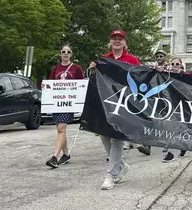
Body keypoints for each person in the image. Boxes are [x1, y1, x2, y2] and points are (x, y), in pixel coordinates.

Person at [88, 30, 141, 190]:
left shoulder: (132, 60)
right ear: (110, 42)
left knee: (116, 138)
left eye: (120, 39)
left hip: (124, 103)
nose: (117, 41)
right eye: (114, 39)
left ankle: (111, 175)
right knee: (104, 135)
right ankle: (121, 165)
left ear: (125, 43)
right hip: (107, 103)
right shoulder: (103, 60)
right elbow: (94, 80)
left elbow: (140, 78)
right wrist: (92, 70)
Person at [45, 44, 85, 168]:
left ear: (71, 54)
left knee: (61, 128)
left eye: (68, 51)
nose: (66, 53)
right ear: (60, 54)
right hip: (57, 102)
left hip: (69, 103)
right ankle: (66, 154)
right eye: (63, 51)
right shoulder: (55, 69)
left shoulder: (76, 68)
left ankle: (54, 157)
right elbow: (50, 84)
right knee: (60, 130)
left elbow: (82, 84)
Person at [162, 57, 188, 163]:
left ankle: (176, 150)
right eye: (172, 64)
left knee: (178, 127)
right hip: (170, 103)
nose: (174, 66)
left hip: (182, 104)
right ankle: (175, 150)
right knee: (171, 126)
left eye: (177, 64)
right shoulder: (167, 74)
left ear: (181, 65)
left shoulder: (184, 75)